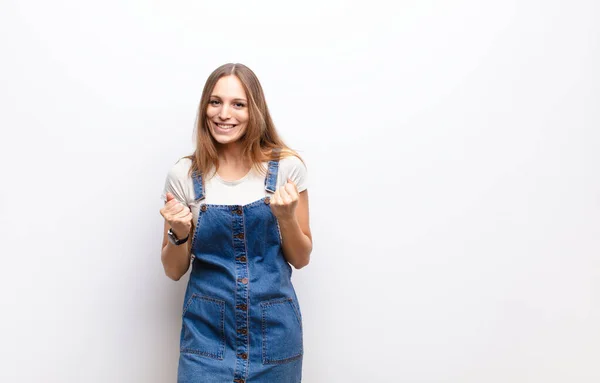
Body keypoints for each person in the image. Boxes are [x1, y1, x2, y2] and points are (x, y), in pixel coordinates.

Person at [159, 63, 312, 383]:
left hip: (275, 339)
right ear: (204, 108)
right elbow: (174, 270)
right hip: (205, 341)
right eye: (215, 102)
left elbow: (301, 258)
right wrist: (180, 233)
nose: (223, 113)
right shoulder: (184, 176)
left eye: (237, 104)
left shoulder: (287, 168)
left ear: (254, 109)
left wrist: (285, 217)